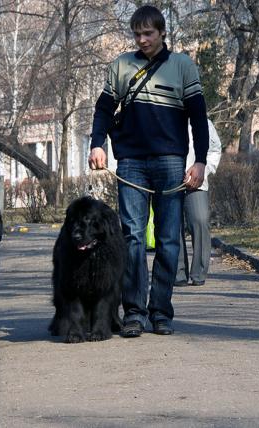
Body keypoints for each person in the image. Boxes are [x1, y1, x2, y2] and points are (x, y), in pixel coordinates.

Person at [88, 5, 209, 337]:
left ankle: (161, 311)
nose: (142, 40)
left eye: (149, 34)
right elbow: (103, 109)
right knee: (132, 237)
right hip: (130, 162)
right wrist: (97, 144)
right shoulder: (122, 66)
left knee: (170, 239)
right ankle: (135, 312)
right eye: (137, 34)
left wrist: (200, 161)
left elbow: (199, 117)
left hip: (171, 160)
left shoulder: (183, 66)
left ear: (162, 32)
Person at [175, 119, 222, 287]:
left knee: (200, 221)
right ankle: (178, 272)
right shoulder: (164, 117)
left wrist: (203, 170)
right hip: (169, 181)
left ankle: (199, 272)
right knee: (173, 225)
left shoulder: (204, 122)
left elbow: (215, 150)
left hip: (196, 183)